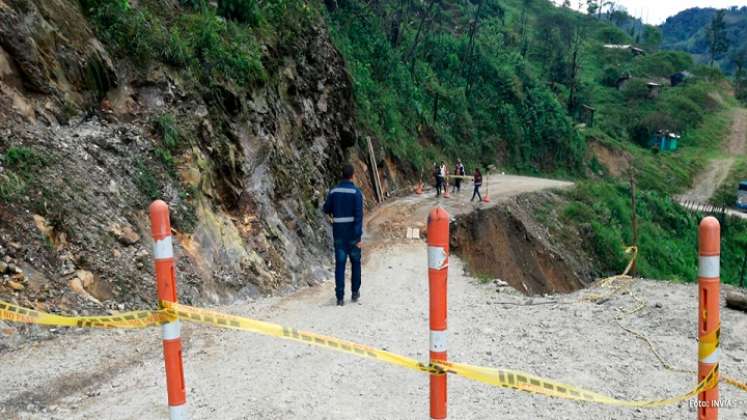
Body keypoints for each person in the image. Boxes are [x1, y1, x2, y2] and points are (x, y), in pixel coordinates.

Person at [323, 164, 364, 306]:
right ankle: (354, 292)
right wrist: (358, 237)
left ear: (342, 175)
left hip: (339, 235)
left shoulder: (334, 191)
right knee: (356, 262)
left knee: (340, 264)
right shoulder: (356, 193)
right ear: (353, 176)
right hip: (353, 236)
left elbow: (326, 209)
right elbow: (359, 217)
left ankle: (340, 298)